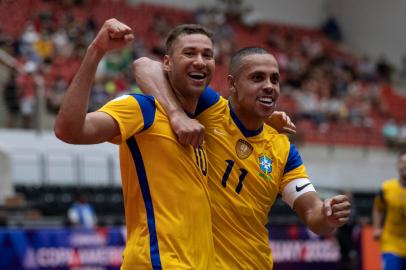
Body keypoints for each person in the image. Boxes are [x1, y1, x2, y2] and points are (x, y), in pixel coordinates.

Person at [133, 47, 352, 269]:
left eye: (274, 79)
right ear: (232, 84)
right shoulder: (208, 109)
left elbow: (312, 214)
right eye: (257, 78)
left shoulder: (284, 151)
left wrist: (328, 216)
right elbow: (145, 66)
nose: (269, 86)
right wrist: (176, 114)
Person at [54, 18, 217, 269]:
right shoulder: (142, 108)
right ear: (167, 63)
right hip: (156, 262)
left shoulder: (201, 124)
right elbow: (69, 130)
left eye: (208, 54)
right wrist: (95, 52)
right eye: (189, 53)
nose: (200, 61)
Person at [373, 150, 406, 270]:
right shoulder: (386, 188)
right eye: (402, 162)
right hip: (391, 243)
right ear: (398, 165)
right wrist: (376, 228)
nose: (405, 165)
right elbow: (378, 208)